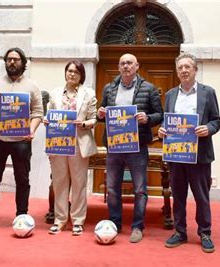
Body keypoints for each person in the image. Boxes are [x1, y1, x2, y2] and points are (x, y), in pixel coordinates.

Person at [0, 47, 44, 234]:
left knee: (22, 180)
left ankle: (22, 216)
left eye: (16, 59)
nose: (12, 62)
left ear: (23, 63)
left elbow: (38, 112)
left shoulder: (32, 86)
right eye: (8, 59)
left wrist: (31, 130)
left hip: (21, 140)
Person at [158, 53, 220, 253]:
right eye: (180, 68)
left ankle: (205, 232)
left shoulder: (207, 92)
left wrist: (208, 129)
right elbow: (166, 121)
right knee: (178, 195)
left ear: (195, 70)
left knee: (201, 196)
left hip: (200, 155)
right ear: (177, 72)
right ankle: (180, 231)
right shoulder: (170, 95)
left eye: (187, 67)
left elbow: (216, 120)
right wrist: (161, 130)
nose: (184, 70)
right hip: (176, 155)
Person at [97, 53, 162, 243]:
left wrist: (148, 119)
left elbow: (160, 114)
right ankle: (115, 224)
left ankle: (137, 226)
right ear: (119, 67)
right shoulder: (109, 88)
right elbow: (102, 115)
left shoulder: (148, 88)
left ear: (137, 66)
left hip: (137, 146)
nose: (126, 66)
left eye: (129, 63)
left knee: (140, 189)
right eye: (123, 63)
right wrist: (101, 114)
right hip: (114, 146)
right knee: (112, 188)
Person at [44, 60, 97, 236]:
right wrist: (46, 120)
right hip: (58, 144)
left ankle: (78, 221)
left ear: (81, 75)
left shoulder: (88, 94)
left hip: (78, 144)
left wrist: (82, 123)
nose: (72, 74)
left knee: (79, 184)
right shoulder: (55, 93)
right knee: (59, 183)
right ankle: (59, 220)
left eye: (76, 72)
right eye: (69, 71)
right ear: (65, 73)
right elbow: (49, 114)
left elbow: (94, 118)